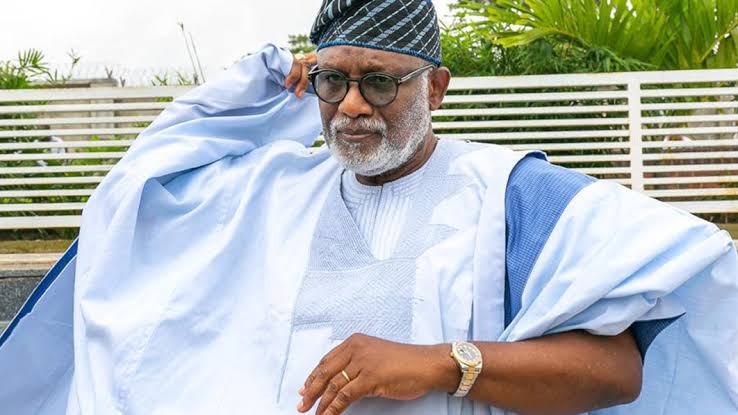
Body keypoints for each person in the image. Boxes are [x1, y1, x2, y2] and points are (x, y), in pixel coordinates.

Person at [1, 1, 737, 414]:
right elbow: (137, 184)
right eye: (332, 82)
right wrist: (256, 81)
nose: (352, 106)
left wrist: (441, 363)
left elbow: (614, 370)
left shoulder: (512, 195)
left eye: (380, 82)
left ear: (436, 87)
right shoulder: (269, 192)